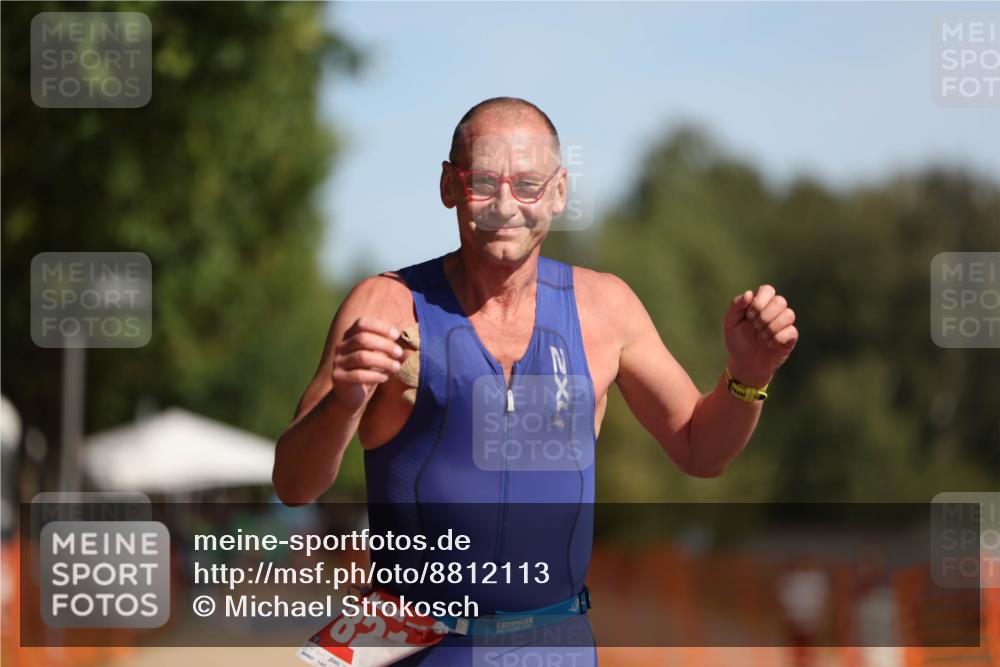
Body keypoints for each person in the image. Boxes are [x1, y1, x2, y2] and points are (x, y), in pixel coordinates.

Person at [273, 97, 798, 665]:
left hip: (557, 646)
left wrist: (748, 376)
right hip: (421, 649)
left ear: (558, 191)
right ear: (449, 185)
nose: (505, 206)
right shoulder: (385, 305)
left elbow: (700, 449)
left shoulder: (605, 309)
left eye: (527, 184)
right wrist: (345, 404)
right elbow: (295, 485)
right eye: (483, 183)